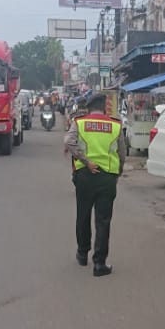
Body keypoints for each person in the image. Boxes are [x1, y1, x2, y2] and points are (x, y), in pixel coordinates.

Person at [64, 92, 129, 276]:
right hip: (107, 177)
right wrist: (117, 174)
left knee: (83, 215)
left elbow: (69, 142)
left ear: (89, 107)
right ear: (103, 106)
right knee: (103, 220)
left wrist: (85, 161)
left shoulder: (80, 122)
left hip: (85, 175)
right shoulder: (115, 125)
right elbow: (122, 154)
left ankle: (82, 254)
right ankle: (99, 264)